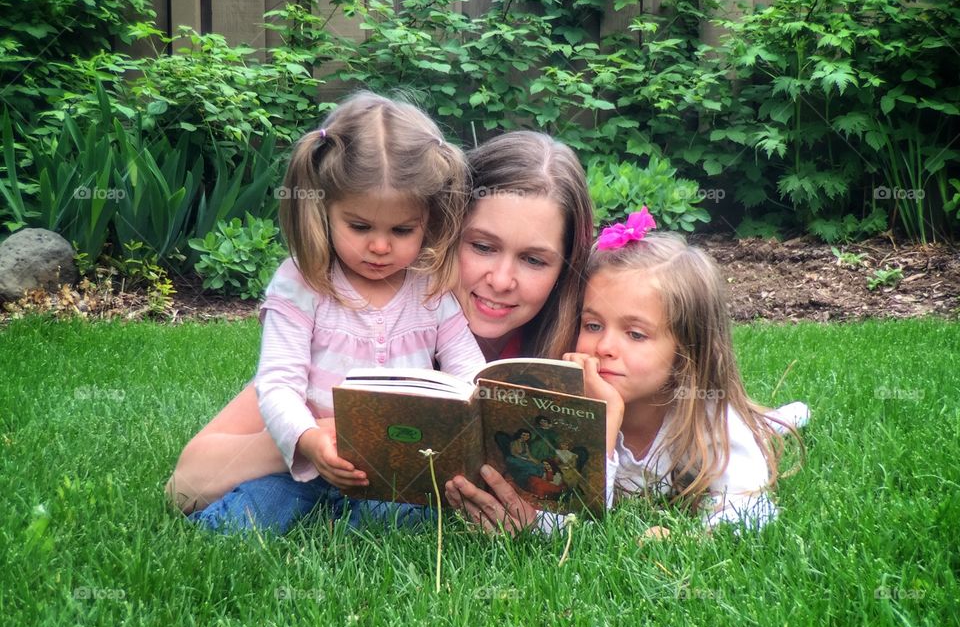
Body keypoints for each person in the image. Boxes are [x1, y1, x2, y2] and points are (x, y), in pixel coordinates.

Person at [166, 127, 594, 525]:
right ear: (439, 231)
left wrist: (533, 522)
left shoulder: (569, 360)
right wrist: (334, 433)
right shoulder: (360, 326)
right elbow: (186, 485)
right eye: (481, 246)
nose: (501, 280)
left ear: (565, 269)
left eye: (534, 259)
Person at [187, 92, 486, 534]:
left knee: (406, 525)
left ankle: (348, 524)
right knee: (246, 519)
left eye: (402, 230)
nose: (380, 246)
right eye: (359, 226)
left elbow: (468, 369)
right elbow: (277, 382)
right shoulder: (303, 283)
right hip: (304, 464)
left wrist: (477, 407)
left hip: (395, 469)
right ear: (323, 210)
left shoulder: (431, 289)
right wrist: (308, 441)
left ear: (430, 217)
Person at [445, 210, 808, 538]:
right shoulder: (567, 409)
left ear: (686, 352)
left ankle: (775, 420)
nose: (604, 347)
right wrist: (598, 426)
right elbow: (571, 517)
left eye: (635, 334)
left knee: (756, 430)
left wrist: (692, 539)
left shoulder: (711, 422)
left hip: (722, 422)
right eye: (592, 324)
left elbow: (749, 512)